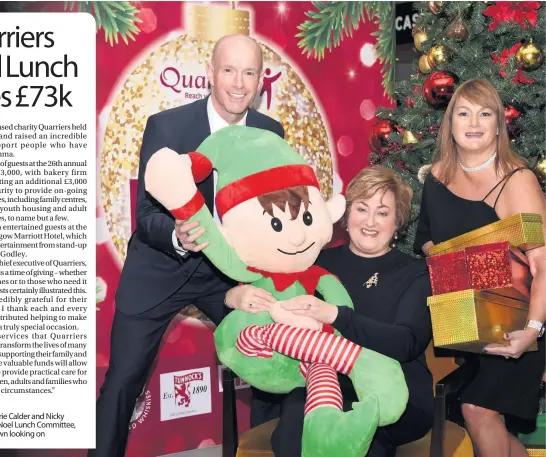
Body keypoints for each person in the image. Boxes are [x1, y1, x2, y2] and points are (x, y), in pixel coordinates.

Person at [90, 34, 284, 457]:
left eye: (249, 72)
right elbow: (145, 215)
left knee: (274, 358)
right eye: (229, 70)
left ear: (260, 79)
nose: (238, 82)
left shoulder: (271, 132)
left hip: (229, 272)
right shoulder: (168, 126)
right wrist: (177, 236)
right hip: (162, 268)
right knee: (122, 381)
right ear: (211, 74)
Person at [226, 166, 435, 457]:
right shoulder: (315, 262)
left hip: (394, 393)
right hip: (322, 381)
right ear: (346, 216)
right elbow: (266, 293)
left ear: (397, 222)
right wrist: (235, 294)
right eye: (362, 209)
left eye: (383, 213)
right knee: (292, 437)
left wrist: (335, 315)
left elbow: (405, 343)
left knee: (358, 443)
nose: (370, 222)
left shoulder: (415, 273)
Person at [414, 79, 546, 457]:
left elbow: (541, 261)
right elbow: (424, 237)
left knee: (477, 409)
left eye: (485, 113)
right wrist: (453, 258)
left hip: (519, 328)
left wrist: (533, 330)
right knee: (492, 426)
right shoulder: (437, 176)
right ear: (450, 122)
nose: (474, 122)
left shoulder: (517, 180)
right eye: (464, 112)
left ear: (498, 124)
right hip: (463, 324)